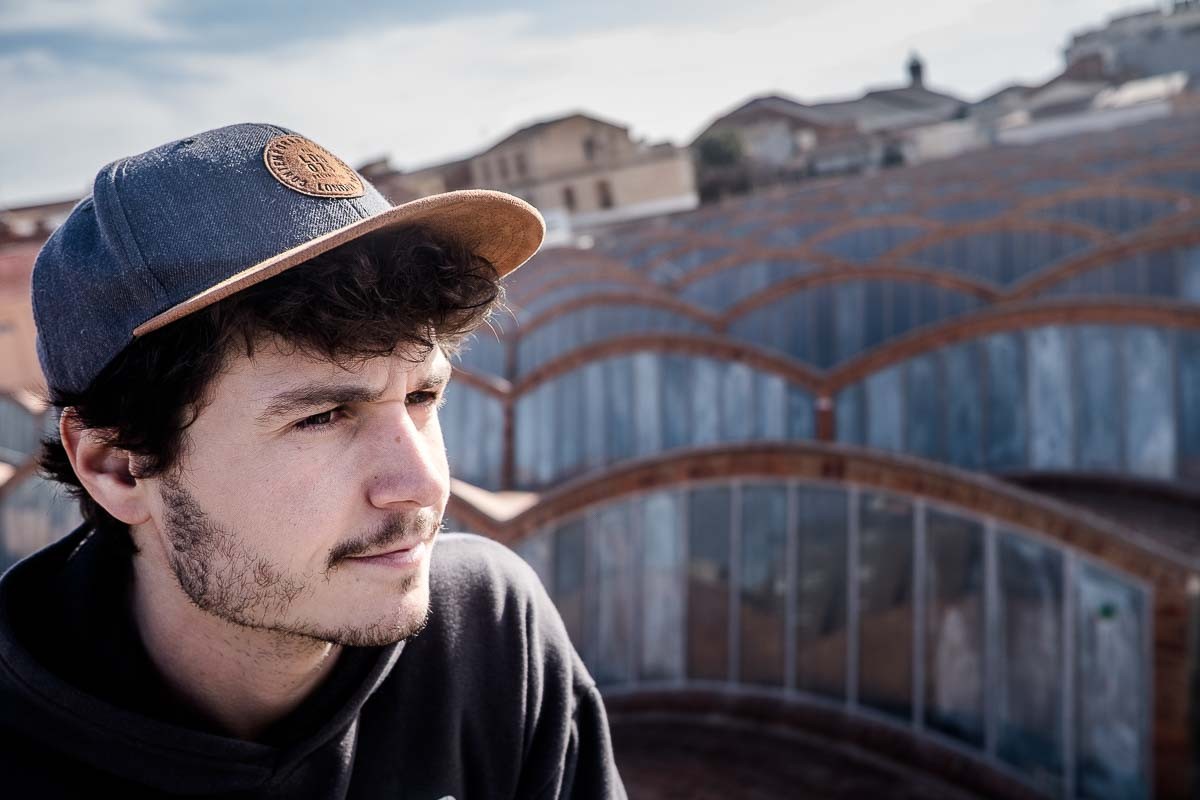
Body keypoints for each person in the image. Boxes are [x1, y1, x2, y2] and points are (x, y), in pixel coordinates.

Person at [0, 123, 628, 799]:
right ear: (118, 467)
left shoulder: (488, 629)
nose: (423, 486)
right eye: (322, 417)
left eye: (421, 397)